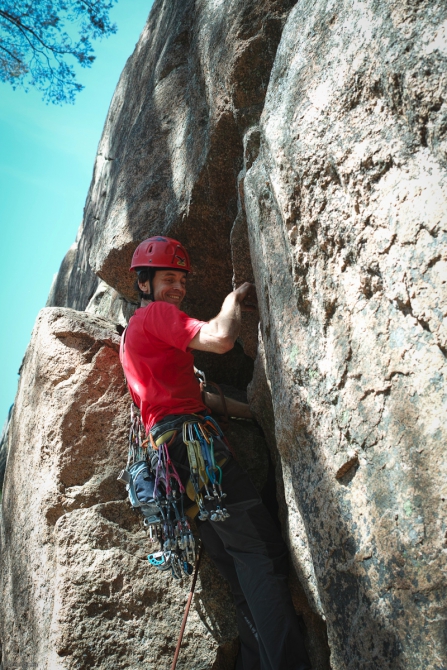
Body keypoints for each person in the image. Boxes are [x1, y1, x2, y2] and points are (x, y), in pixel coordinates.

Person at [120, 235, 311, 670]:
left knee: (238, 573)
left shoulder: (133, 336)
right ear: (144, 284)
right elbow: (222, 339)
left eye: (182, 281)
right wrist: (233, 299)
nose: (179, 288)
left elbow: (199, 398)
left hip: (172, 466)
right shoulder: (157, 316)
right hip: (196, 450)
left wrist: (263, 412)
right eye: (169, 278)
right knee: (259, 555)